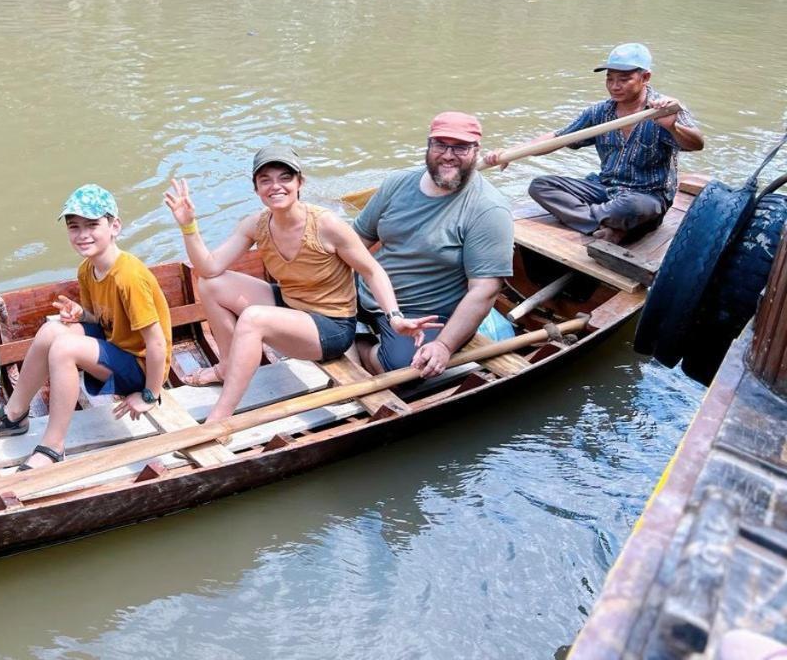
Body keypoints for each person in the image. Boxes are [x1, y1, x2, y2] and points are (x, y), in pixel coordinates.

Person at [164, 146, 438, 426]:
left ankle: (219, 419)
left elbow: (372, 270)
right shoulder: (255, 224)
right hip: (291, 306)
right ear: (256, 189)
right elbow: (209, 267)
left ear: (299, 184)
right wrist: (189, 226)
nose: (276, 186)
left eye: (285, 178)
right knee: (212, 284)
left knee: (253, 319)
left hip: (331, 327)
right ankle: (226, 366)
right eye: (265, 180)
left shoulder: (326, 225)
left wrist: (395, 317)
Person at [0, 184, 171, 469]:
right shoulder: (88, 269)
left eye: (92, 225)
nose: (82, 235)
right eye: (74, 227)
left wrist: (150, 395)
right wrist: (82, 315)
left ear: (114, 226)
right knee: (51, 330)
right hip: (117, 347)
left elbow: (156, 343)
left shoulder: (129, 276)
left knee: (64, 349)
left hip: (142, 368)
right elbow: (103, 320)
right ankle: (15, 413)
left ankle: (53, 446)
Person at [484, 43, 704, 244]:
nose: (615, 86)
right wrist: (511, 154)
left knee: (631, 207)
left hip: (647, 196)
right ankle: (606, 225)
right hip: (605, 188)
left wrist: (671, 127)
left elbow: (697, 143)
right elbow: (559, 138)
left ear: (645, 77)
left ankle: (601, 219)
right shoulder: (599, 112)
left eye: (624, 79)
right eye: (610, 79)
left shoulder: (664, 109)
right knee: (541, 186)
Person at [352, 113, 516, 380]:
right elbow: (357, 240)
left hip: (423, 314)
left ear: (476, 152)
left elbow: (485, 290)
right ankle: (354, 326)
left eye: (460, 147)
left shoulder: (488, 209)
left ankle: (361, 342)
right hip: (369, 290)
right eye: (440, 145)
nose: (448, 155)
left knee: (407, 372)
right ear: (429, 146)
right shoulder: (398, 183)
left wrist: (444, 345)